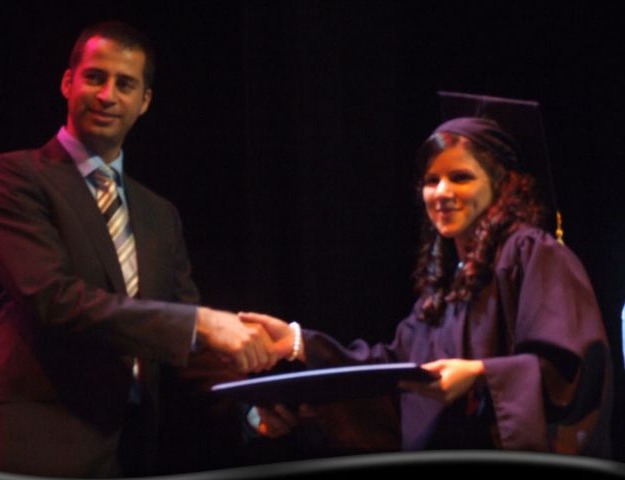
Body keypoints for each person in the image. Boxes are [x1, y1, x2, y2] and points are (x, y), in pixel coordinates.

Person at [0, 20, 278, 478]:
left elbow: (186, 346)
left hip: (129, 454)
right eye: (95, 77)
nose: (107, 95)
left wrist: (252, 408)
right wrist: (203, 323)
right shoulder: (15, 178)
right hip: (34, 450)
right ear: (68, 82)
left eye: (125, 84)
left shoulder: (159, 215)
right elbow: (54, 298)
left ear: (144, 101)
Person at [240, 95, 612, 456]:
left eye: (461, 177)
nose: (442, 192)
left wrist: (480, 374)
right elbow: (391, 376)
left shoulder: (532, 254)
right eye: (432, 180)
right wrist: (296, 343)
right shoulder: (447, 286)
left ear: (501, 185)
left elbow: (570, 371)